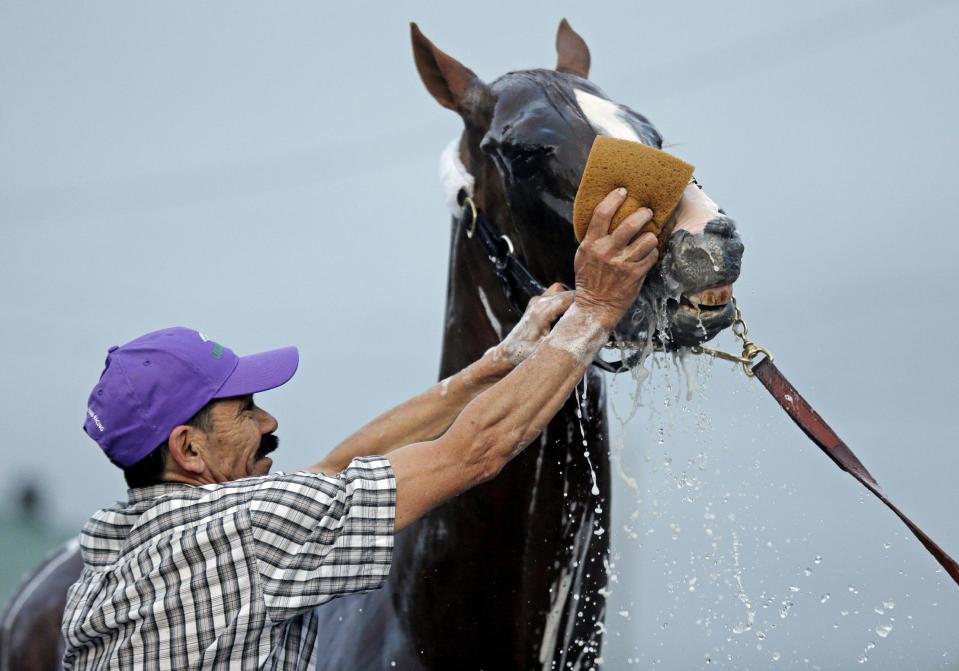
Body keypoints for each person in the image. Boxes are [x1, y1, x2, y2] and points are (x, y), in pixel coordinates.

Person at [61, 189, 659, 670]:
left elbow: (332, 472)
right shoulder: (252, 531)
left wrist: (489, 369)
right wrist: (596, 311)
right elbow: (473, 452)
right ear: (188, 449)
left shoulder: (113, 556)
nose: (270, 421)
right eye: (245, 410)